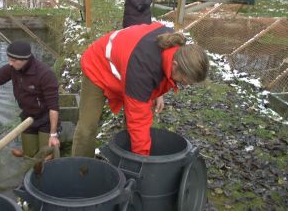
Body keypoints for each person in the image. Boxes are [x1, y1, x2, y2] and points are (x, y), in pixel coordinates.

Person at [72, 22, 209, 157]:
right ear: (175, 65)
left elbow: (159, 72)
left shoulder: (175, 45)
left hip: (128, 69)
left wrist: (157, 94)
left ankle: (126, 162)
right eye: (185, 80)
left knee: (134, 128)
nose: (186, 84)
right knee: (87, 127)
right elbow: (138, 120)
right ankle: (81, 171)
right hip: (98, 65)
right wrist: (143, 161)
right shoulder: (142, 69)